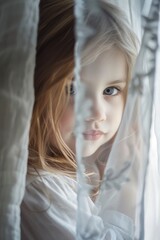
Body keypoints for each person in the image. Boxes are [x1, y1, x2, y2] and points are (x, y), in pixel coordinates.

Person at [21, 0, 139, 239]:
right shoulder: (40, 190)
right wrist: (127, 192)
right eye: (73, 90)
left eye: (111, 90)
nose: (97, 113)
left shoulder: (75, 173)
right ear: (33, 88)